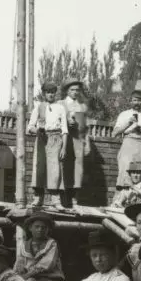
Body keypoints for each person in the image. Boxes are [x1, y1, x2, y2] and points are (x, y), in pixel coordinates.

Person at [28, 84, 68, 207]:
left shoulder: (60, 108)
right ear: (44, 93)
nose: (50, 94)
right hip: (41, 139)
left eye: (52, 92)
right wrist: (38, 131)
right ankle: (38, 198)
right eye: (48, 92)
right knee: (39, 168)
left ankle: (55, 200)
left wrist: (64, 147)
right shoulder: (38, 107)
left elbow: (64, 129)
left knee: (55, 170)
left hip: (56, 139)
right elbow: (30, 127)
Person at [10, 210, 65, 281]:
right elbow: (19, 263)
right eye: (37, 226)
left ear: (48, 230)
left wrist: (26, 275)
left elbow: (46, 265)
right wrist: (16, 276)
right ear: (30, 228)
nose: (40, 229)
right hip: (30, 278)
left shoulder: (52, 244)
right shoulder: (24, 245)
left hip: (49, 279)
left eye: (44, 227)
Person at [112, 89, 141, 189]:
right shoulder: (124, 114)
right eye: (134, 100)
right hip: (129, 143)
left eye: (139, 100)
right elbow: (115, 133)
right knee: (126, 168)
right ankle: (124, 195)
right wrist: (128, 123)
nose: (136, 102)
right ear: (130, 101)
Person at [61, 78, 89, 206]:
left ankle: (74, 198)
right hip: (65, 140)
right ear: (67, 91)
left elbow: (86, 128)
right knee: (64, 168)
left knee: (78, 169)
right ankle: (63, 198)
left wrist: (87, 143)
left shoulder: (83, 106)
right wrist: (67, 122)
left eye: (77, 90)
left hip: (79, 141)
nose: (75, 92)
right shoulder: (60, 104)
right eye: (72, 90)